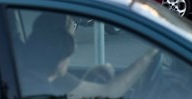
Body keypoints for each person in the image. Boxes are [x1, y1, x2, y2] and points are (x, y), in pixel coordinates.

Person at [18, 13, 158, 98]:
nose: (73, 49)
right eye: (70, 48)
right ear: (59, 52)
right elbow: (111, 92)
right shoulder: (37, 90)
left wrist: (88, 77)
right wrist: (148, 57)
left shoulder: (49, 74)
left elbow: (105, 91)